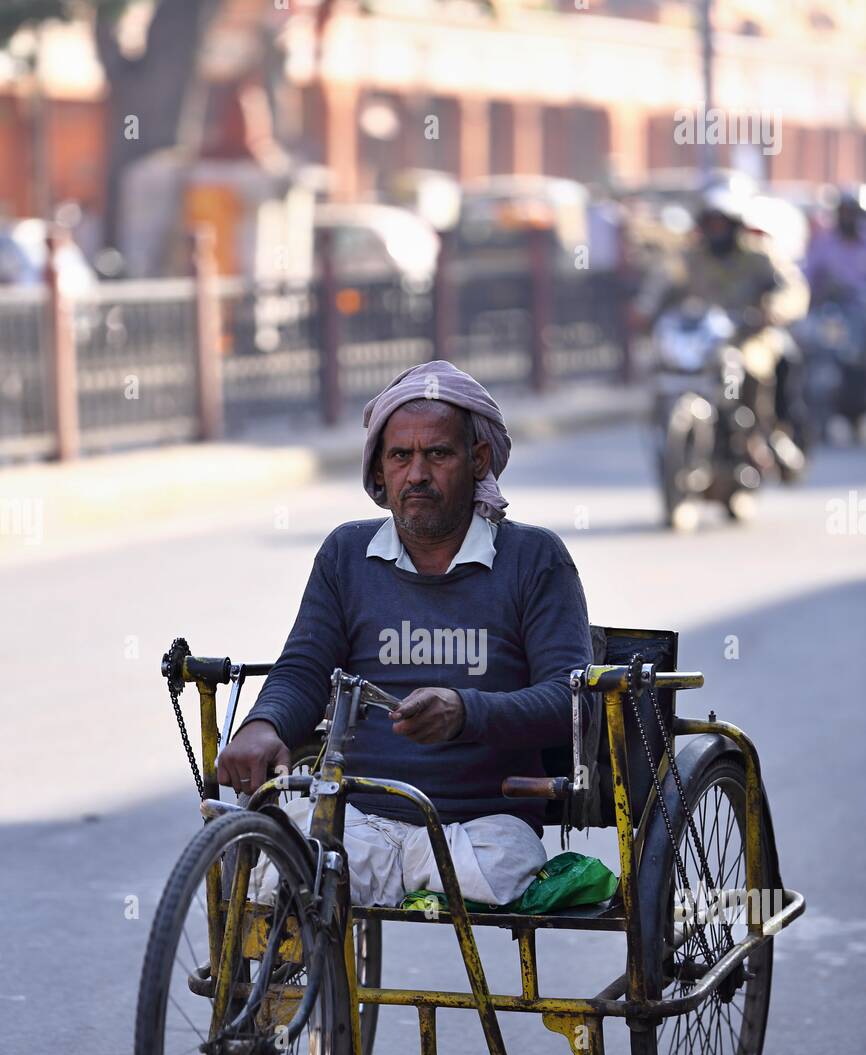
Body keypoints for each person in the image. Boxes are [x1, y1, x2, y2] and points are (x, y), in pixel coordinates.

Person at [217, 360, 592, 908]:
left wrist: (466, 712)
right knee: (268, 860)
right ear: (379, 469)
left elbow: (568, 698)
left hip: (481, 832)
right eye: (400, 456)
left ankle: (376, 885)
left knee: (497, 870)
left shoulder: (535, 559)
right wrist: (262, 723)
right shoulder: (346, 554)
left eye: (437, 454)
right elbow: (303, 667)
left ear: (477, 460)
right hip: (359, 819)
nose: (417, 474)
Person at [635, 184, 811, 466]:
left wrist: (773, 310)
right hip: (703, 340)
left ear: (734, 225)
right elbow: (662, 285)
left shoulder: (759, 255)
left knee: (757, 368)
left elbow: (792, 289)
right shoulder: (691, 257)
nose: (716, 230)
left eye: (721, 224)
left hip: (748, 336)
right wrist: (643, 310)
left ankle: (761, 435)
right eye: (710, 224)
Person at [804, 189, 866, 305]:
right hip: (832, 309)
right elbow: (808, 275)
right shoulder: (824, 243)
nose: (847, 217)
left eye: (851, 213)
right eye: (844, 212)